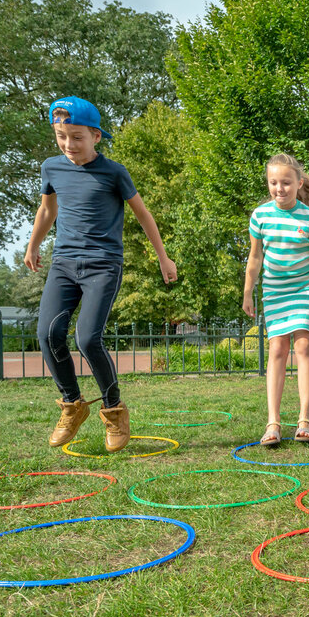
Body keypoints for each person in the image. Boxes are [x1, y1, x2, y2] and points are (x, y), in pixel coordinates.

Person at [26, 96, 178, 453]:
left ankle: (113, 410)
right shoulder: (52, 168)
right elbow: (47, 211)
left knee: (87, 338)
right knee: (47, 334)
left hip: (102, 264)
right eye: (61, 136)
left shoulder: (114, 172)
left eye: (77, 137)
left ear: (96, 136)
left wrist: (163, 257)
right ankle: (72, 405)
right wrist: (33, 246)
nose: (68, 145)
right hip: (63, 263)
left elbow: (143, 214)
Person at [242, 154, 309, 446]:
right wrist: (247, 291)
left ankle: (304, 419)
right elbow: (255, 258)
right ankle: (273, 423)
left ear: (299, 183)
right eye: (273, 182)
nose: (280, 188)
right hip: (275, 290)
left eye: (286, 182)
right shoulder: (260, 216)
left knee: (303, 345)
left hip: (305, 288)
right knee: (277, 348)